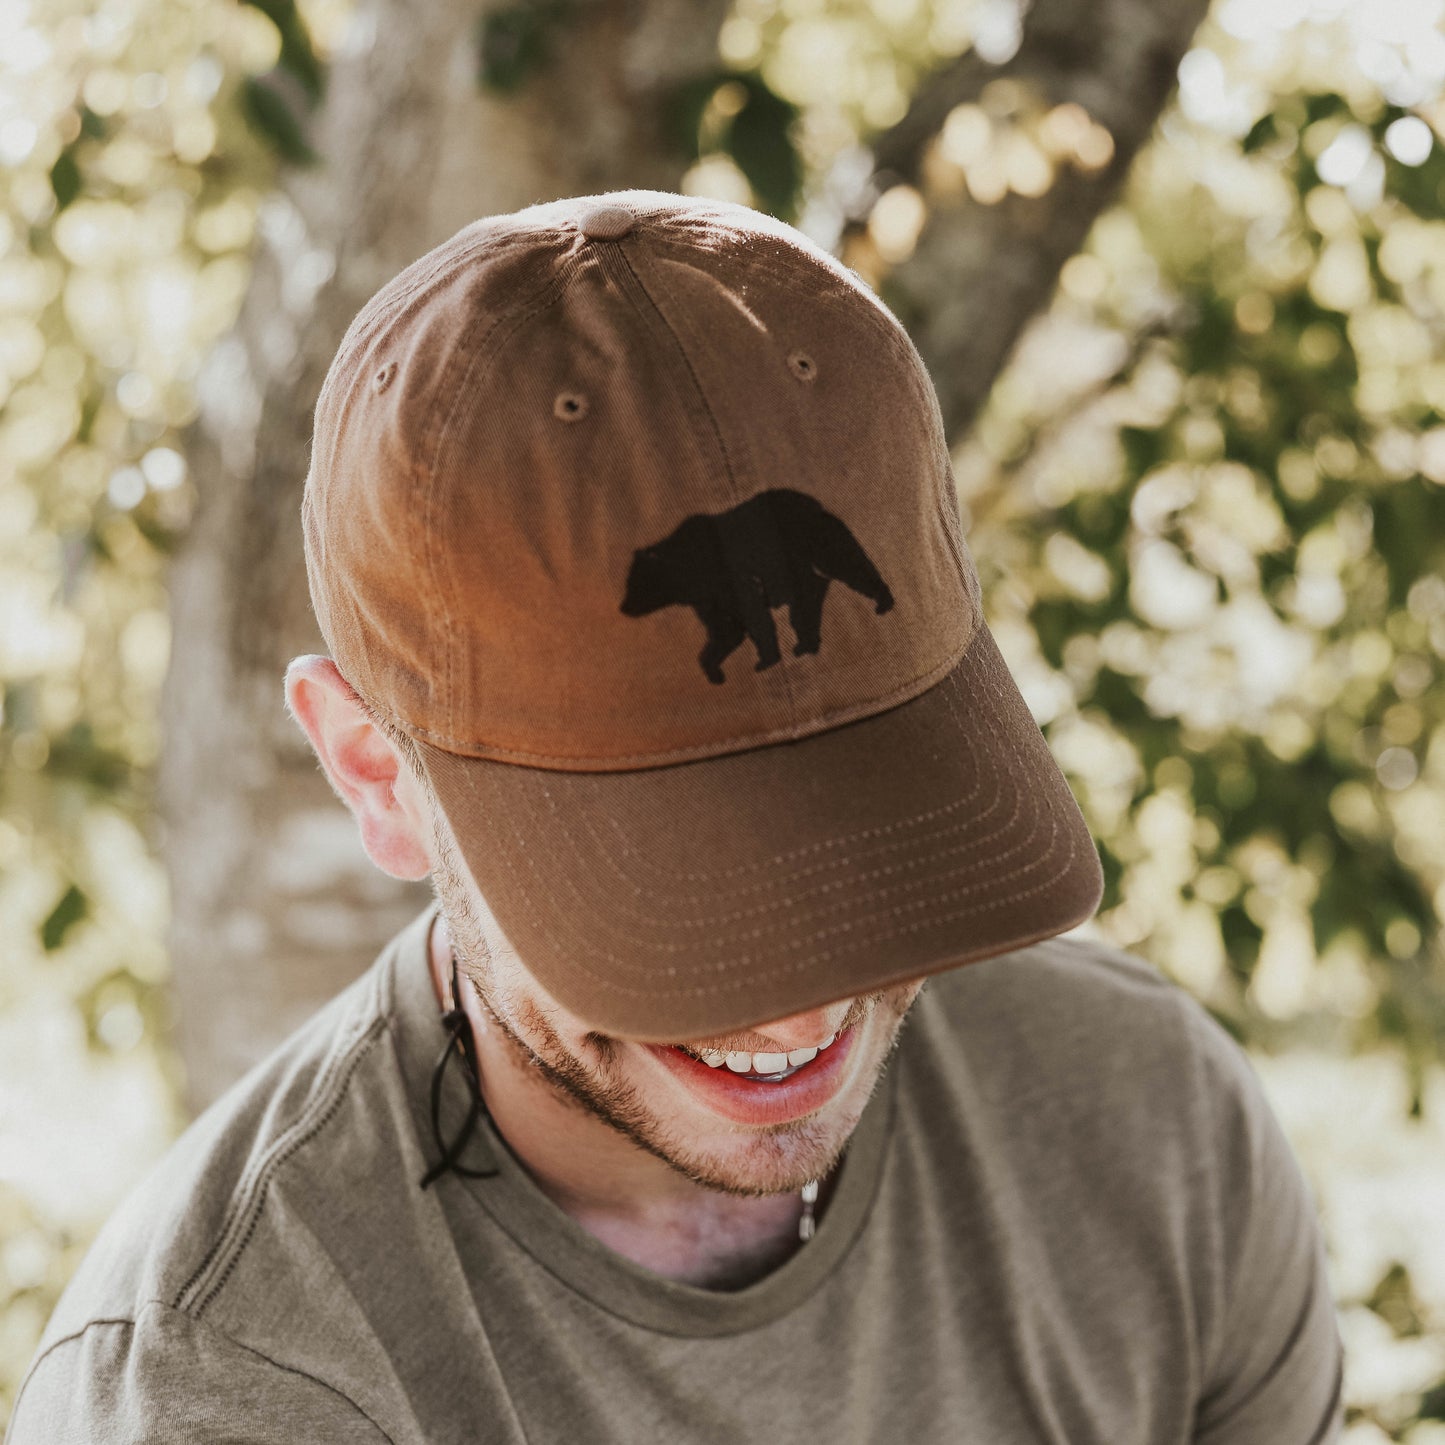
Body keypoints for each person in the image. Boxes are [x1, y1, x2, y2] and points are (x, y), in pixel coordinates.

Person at [7, 190, 1345, 1443]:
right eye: (669, 876)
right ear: (374, 771)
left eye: (867, 828)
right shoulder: (233, 1376)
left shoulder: (1152, 1124)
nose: (793, 1010)